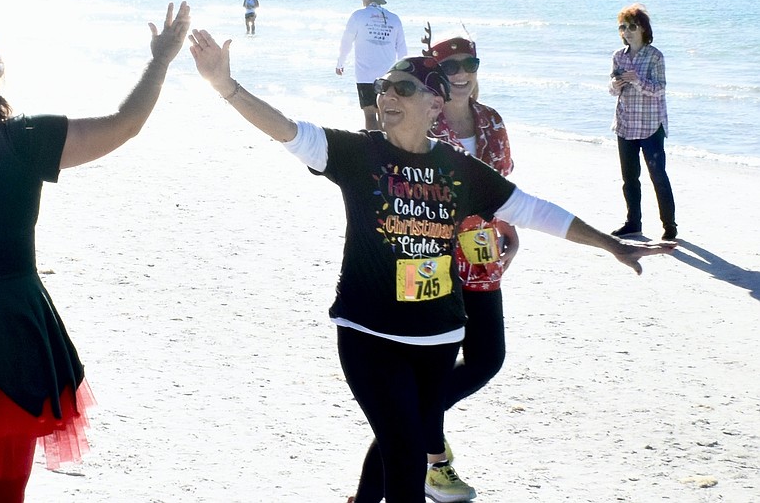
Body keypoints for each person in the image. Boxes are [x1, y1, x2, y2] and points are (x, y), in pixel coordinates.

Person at [188, 29, 676, 503]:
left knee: (408, 442)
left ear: (433, 104)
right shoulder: (359, 153)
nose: (386, 96)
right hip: (368, 333)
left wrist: (611, 244)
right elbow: (287, 131)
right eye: (383, 87)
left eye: (402, 88)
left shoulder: (459, 169)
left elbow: (531, 210)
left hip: (439, 338)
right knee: (403, 456)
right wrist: (225, 87)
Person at [0, 1, 190, 503]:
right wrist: (160, 60)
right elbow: (126, 124)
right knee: (2, 489)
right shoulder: (23, 139)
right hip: (7, 324)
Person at [425, 33, 518, 499]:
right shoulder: (423, 121)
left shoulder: (492, 121)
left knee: (487, 358)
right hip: (430, 264)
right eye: (450, 65)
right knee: (436, 364)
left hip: (482, 260)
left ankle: (415, 424)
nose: (461, 72)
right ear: (436, 73)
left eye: (469, 63)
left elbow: (503, 186)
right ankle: (433, 463)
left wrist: (510, 227)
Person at [608, 3, 677, 241]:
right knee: (629, 178)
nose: (626, 31)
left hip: (650, 126)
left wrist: (637, 80)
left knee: (658, 176)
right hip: (625, 124)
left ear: (643, 29)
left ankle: (669, 227)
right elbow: (612, 90)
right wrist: (616, 85)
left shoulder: (655, 56)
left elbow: (660, 90)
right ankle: (633, 223)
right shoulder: (618, 56)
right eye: (623, 27)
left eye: (632, 26)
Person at [335, 0, 406, 131]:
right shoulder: (394, 18)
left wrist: (340, 63)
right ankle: (386, 146)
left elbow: (346, 41)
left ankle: (373, 146)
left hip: (365, 74)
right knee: (383, 112)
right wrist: (404, 73)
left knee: (369, 113)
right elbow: (402, 48)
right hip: (387, 74)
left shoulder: (358, 15)